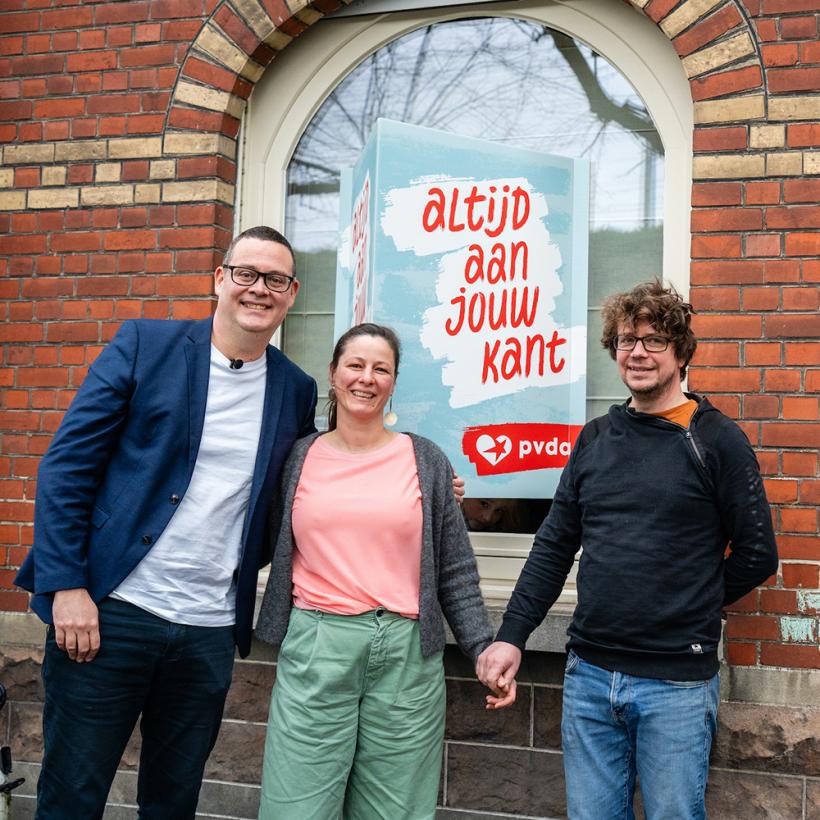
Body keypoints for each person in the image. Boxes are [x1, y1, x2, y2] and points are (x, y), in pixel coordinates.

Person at [15, 226, 318, 819]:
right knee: (73, 796)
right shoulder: (144, 345)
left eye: (275, 280)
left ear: (291, 294)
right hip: (109, 613)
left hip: (207, 630)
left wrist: (414, 471)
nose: (259, 289)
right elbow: (65, 468)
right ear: (219, 279)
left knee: (173, 801)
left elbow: (311, 480)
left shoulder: (295, 388)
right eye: (246, 274)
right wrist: (67, 586)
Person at [476, 280, 779, 819]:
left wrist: (691, 606)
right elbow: (553, 548)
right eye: (625, 339)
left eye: (654, 340)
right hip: (589, 675)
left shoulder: (716, 440)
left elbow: (758, 554)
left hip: (676, 686)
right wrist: (512, 637)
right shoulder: (595, 439)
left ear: (682, 353)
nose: (637, 352)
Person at [254, 323, 493, 819]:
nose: (367, 378)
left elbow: (455, 570)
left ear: (393, 381)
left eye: (381, 368)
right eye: (355, 365)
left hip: (406, 655)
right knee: (295, 808)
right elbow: (262, 534)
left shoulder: (425, 459)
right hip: (318, 645)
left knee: (395, 812)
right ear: (334, 375)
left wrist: (481, 647)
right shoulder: (298, 458)